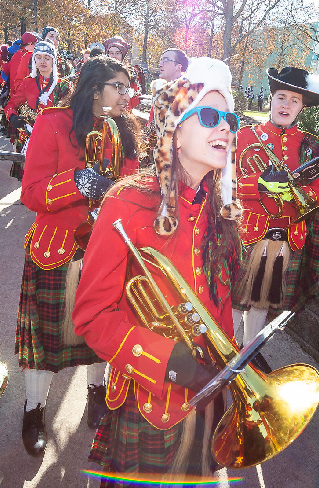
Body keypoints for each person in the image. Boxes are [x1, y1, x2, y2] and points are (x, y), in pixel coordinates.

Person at [73, 58, 244, 485]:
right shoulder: (127, 201)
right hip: (149, 399)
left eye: (230, 119)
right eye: (208, 115)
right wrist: (168, 361)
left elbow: (218, 310)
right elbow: (91, 317)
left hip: (207, 392)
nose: (224, 127)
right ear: (175, 129)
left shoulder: (221, 212)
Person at [17, 56, 143, 456]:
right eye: (118, 87)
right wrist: (76, 182)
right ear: (95, 89)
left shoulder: (126, 131)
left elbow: (133, 192)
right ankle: (33, 412)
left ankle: (97, 396)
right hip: (55, 249)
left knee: (102, 336)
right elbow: (31, 192)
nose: (127, 95)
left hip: (106, 250)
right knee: (43, 343)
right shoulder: (52, 123)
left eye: (128, 88)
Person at [232, 67, 319, 348]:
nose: (286, 105)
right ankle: (222, 352)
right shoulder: (243, 137)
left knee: (262, 303)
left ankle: (248, 354)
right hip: (246, 234)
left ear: (302, 107)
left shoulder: (314, 147)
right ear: (270, 99)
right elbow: (224, 186)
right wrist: (260, 186)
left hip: (288, 238)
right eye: (281, 97)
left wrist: (295, 191)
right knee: (232, 301)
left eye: (294, 100)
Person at [5, 41, 74, 180]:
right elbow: (11, 104)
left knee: (50, 177)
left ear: (53, 61)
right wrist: (12, 116)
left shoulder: (64, 86)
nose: (43, 61)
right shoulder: (28, 82)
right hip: (30, 136)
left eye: (47, 58)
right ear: (34, 60)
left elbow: (71, 114)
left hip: (53, 139)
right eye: (39, 57)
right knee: (29, 178)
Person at [103, 35, 144, 110]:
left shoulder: (130, 74)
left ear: (122, 55)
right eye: (111, 53)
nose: (114, 56)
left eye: (117, 53)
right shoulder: (101, 72)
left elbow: (133, 100)